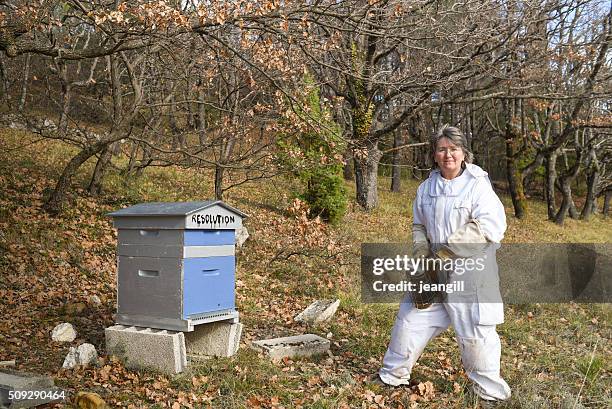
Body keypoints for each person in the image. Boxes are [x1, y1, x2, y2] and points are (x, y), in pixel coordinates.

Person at [377, 125, 511, 403]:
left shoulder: (478, 185)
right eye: (442, 149)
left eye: (454, 148)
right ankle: (392, 377)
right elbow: (419, 226)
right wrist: (421, 257)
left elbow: (488, 227)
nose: (448, 154)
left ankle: (489, 395)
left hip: (472, 273)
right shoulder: (426, 188)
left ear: (464, 153)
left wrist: (446, 255)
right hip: (433, 273)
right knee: (409, 320)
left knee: (476, 334)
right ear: (434, 155)